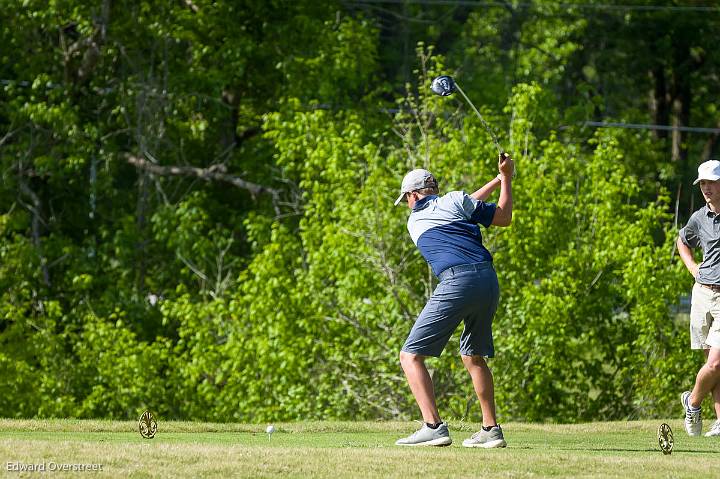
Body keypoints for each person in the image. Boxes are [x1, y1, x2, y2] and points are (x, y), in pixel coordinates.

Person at [393, 153, 514, 447]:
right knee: (473, 355)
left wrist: (499, 179)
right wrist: (505, 179)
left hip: (458, 280)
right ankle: (490, 430)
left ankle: (433, 426)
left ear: (412, 195)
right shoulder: (456, 201)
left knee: (410, 357)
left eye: (405, 199)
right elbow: (502, 217)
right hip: (488, 280)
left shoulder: (415, 221)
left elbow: (454, 207)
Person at [676, 159, 720, 438]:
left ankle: (692, 402)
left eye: (711, 182)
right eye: (702, 183)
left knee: (716, 362)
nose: (706, 188)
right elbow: (683, 241)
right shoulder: (698, 218)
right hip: (703, 293)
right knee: (714, 367)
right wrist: (693, 268)